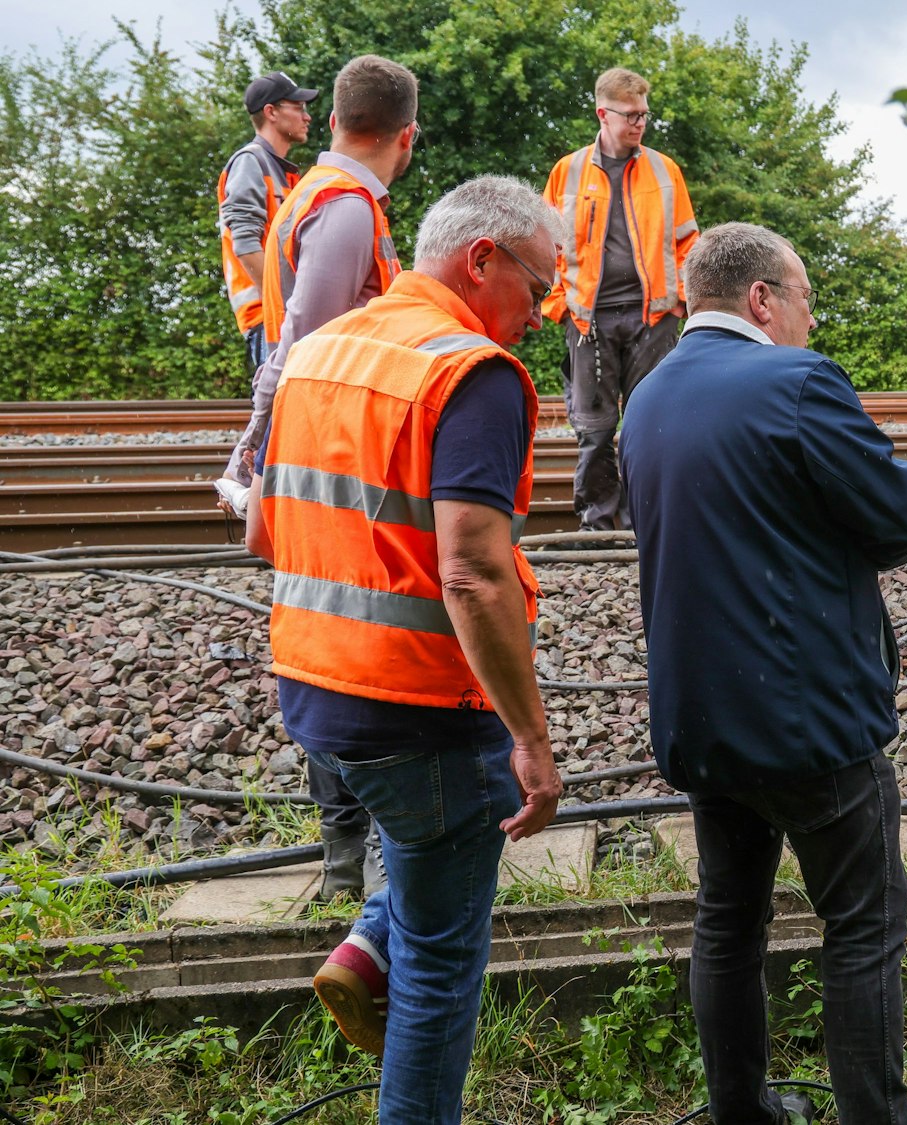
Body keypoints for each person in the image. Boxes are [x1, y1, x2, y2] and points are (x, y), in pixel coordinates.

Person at [241, 175, 565, 1125]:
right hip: (420, 709)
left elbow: (262, 530)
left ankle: (364, 944)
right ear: (482, 260)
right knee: (440, 960)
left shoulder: (317, 352)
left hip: (315, 692)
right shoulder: (472, 373)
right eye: (539, 287)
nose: (541, 315)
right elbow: (473, 573)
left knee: (425, 842)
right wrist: (532, 739)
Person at [622, 221, 907, 1125]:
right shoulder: (797, 381)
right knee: (862, 928)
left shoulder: (646, 395)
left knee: (727, 918)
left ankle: (740, 1113)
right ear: (761, 299)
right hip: (811, 724)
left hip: (701, 722)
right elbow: (897, 522)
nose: (809, 319)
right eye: (804, 299)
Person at [214, 54, 420, 900]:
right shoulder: (344, 208)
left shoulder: (311, 194)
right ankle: (360, 853)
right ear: (407, 136)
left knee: (328, 638)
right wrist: (255, 444)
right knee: (347, 645)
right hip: (335, 457)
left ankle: (349, 850)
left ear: (334, 120)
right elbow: (310, 341)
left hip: (320, 452)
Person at [542, 65, 700, 531]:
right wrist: (559, 307)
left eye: (644, 115)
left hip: (654, 319)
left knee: (649, 424)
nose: (640, 123)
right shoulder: (567, 172)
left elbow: (688, 243)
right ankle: (597, 525)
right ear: (602, 114)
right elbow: (545, 246)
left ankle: (643, 521)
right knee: (593, 428)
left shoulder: (665, 170)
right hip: (587, 320)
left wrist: (681, 301)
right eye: (631, 115)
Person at [217, 72, 316, 387]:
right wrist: (285, 307)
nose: (307, 116)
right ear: (271, 112)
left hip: (279, 317)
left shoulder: (282, 172)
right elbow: (245, 243)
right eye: (298, 107)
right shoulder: (251, 162)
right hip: (270, 320)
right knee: (278, 410)